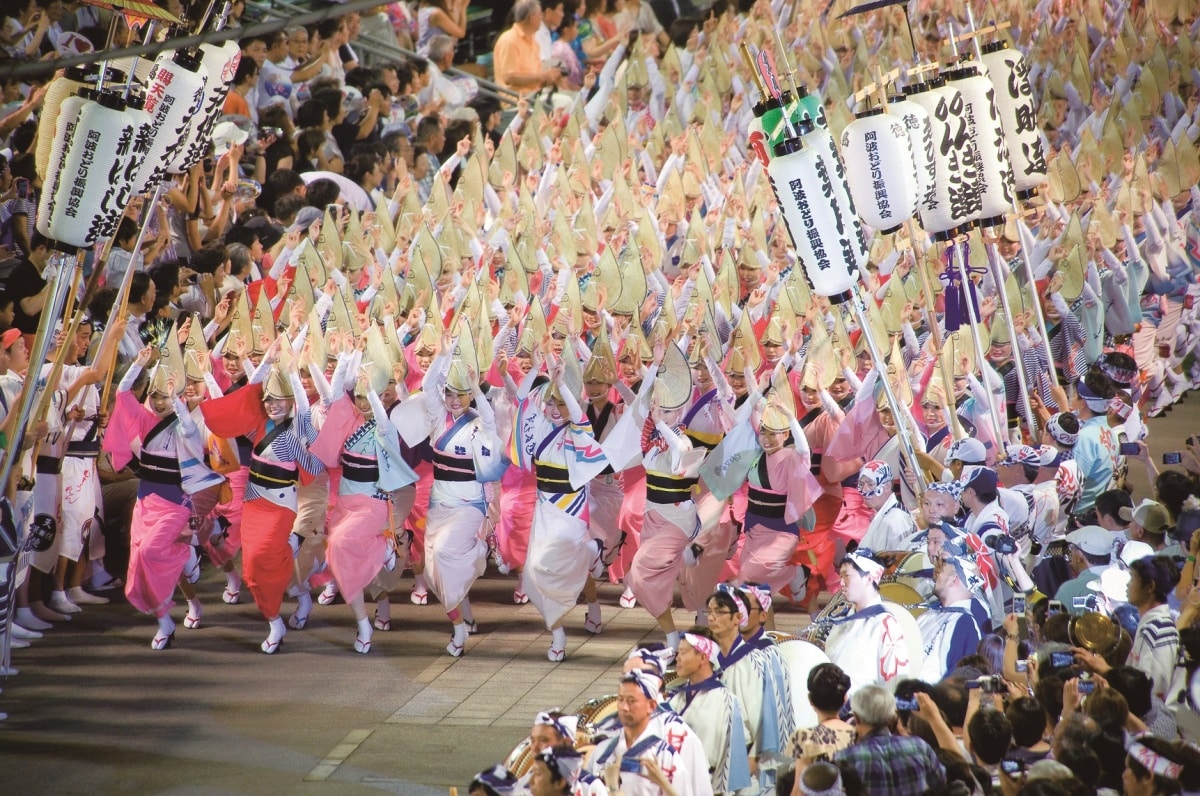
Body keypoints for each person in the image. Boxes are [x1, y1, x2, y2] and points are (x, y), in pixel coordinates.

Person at [201, 351, 321, 654]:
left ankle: (283, 606)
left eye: (279, 400)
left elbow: (315, 465)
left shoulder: (300, 424)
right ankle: (283, 610)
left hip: (281, 503)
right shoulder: (257, 423)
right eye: (268, 400)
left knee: (262, 559)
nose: (272, 405)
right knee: (253, 569)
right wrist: (265, 361)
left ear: (291, 400)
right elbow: (242, 396)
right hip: (253, 500)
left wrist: (293, 373)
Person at [586, 670, 714, 796]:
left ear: (651, 706)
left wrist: (662, 783)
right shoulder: (602, 752)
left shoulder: (666, 757)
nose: (624, 707)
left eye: (632, 701)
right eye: (620, 700)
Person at [666, 631, 752, 795]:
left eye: (683, 652)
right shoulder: (677, 697)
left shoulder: (725, 701)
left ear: (703, 658)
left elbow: (730, 762)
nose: (677, 658)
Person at [823, 551, 913, 691]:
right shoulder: (843, 619)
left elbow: (896, 682)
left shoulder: (885, 624)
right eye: (840, 576)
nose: (841, 583)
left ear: (869, 578)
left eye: (846, 576)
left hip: (864, 710)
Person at [834, 685, 946, 795]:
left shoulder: (845, 758)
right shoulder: (920, 746)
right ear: (892, 717)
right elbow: (941, 785)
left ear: (856, 718)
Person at [915, 553, 986, 682]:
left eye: (942, 571)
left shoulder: (964, 623)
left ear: (954, 580)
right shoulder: (929, 614)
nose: (935, 577)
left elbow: (959, 679)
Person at [790, 663, 857, 774]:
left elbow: (799, 790)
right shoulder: (859, 736)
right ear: (845, 699)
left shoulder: (805, 739)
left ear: (810, 700)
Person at [1053, 525, 1114, 612]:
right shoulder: (1124, 582)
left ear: (1079, 555)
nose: (1071, 552)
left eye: (1072, 548)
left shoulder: (1068, 590)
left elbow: (1052, 623)